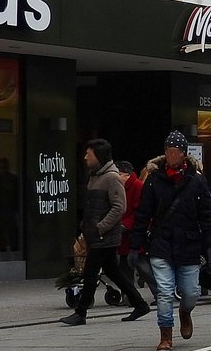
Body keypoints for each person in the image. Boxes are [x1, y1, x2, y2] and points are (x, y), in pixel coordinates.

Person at [129, 131, 211, 351]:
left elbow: (206, 216)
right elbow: (143, 215)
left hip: (189, 243)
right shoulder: (154, 181)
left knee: (190, 293)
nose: (170, 156)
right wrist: (134, 245)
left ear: (184, 154)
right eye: (168, 151)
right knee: (165, 291)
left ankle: (185, 312)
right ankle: (165, 334)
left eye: (175, 152)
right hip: (162, 242)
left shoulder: (197, 181)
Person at [59, 140, 150, 326]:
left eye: (88, 154)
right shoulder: (94, 176)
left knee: (91, 272)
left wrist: (101, 227)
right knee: (113, 272)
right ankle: (140, 304)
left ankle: (81, 312)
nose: (85, 157)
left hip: (104, 235)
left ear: (98, 156)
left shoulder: (112, 178)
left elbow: (119, 207)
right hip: (95, 234)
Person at [116, 160, 157, 304]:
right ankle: (128, 296)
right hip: (125, 232)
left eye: (118, 174)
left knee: (140, 264)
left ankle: (159, 293)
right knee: (124, 265)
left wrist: (126, 225)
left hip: (134, 233)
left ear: (125, 174)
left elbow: (141, 212)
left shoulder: (137, 186)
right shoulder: (122, 187)